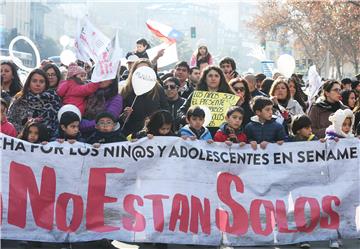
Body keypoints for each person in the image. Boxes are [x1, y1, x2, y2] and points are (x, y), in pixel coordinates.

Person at [178, 65, 235, 136]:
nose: (213, 78)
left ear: (221, 79)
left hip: (222, 136)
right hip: (198, 135)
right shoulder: (196, 95)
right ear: (205, 79)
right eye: (210, 76)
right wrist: (185, 118)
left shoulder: (229, 97)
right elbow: (181, 111)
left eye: (216, 76)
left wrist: (239, 104)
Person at [120, 59, 169, 137]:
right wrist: (125, 115)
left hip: (154, 133)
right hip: (132, 134)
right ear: (133, 72)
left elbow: (165, 110)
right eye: (139, 70)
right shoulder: (125, 90)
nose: (143, 74)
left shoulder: (158, 89)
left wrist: (156, 118)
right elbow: (118, 118)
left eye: (146, 70)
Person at [7, 68, 61, 134]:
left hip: (46, 141)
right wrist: (26, 132)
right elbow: (10, 121)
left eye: (41, 81)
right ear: (29, 82)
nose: (38, 84)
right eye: (34, 81)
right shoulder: (19, 99)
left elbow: (57, 126)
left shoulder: (53, 100)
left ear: (46, 84)